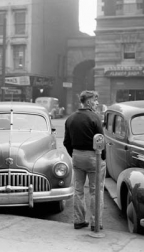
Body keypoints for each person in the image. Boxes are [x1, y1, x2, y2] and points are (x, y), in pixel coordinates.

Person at [63, 90, 106, 230]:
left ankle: (79, 220)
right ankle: (95, 223)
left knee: (78, 189)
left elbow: (66, 142)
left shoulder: (70, 118)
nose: (97, 103)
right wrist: (103, 158)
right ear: (88, 102)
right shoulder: (95, 118)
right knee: (95, 191)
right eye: (95, 100)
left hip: (76, 156)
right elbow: (100, 140)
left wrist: (74, 154)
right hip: (93, 157)